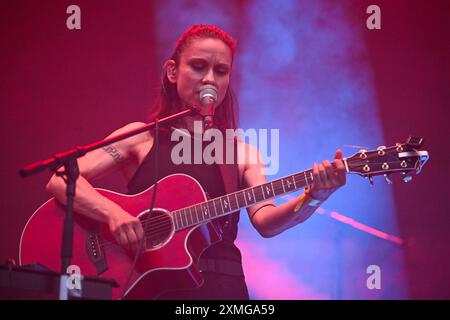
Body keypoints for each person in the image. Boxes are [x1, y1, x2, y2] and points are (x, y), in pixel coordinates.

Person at [46, 25, 346, 299]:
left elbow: (266, 224)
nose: (209, 79)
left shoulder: (241, 153)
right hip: (149, 286)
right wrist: (113, 214)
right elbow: (61, 179)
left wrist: (312, 197)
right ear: (172, 72)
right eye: (198, 66)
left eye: (221, 71)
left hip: (221, 288)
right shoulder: (139, 138)